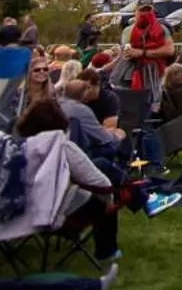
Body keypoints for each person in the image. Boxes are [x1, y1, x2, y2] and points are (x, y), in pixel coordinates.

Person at [9, 100, 122, 263]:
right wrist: (108, 201)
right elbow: (102, 184)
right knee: (106, 196)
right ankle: (107, 251)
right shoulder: (63, 148)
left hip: (20, 212)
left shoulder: (16, 148)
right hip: (55, 215)